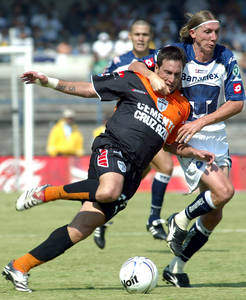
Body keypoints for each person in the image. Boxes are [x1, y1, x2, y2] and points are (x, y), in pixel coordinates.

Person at [2, 46, 215, 293]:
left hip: (134, 173)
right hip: (112, 148)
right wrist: (48, 82)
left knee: (81, 228)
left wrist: (193, 152)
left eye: (177, 74)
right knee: (109, 190)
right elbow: (89, 90)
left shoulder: (182, 106)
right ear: (156, 68)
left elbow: (170, 144)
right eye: (167, 72)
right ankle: (47, 192)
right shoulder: (135, 80)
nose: (171, 79)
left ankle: (19, 266)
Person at [129, 10, 245, 287]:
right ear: (193, 33)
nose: (213, 37)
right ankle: (178, 219)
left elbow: (237, 102)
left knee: (215, 211)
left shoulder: (226, 57)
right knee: (224, 191)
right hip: (186, 135)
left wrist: (204, 121)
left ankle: (175, 267)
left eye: (217, 32)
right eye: (208, 32)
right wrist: (153, 77)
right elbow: (136, 65)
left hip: (215, 135)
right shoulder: (177, 53)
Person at [94, 19, 175, 249]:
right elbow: (107, 89)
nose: (140, 38)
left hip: (155, 124)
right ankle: (153, 219)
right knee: (164, 167)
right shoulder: (119, 62)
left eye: (145, 34)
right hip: (131, 127)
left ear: (150, 36)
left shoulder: (159, 60)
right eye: (137, 34)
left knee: (140, 175)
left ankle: (105, 217)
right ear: (130, 36)